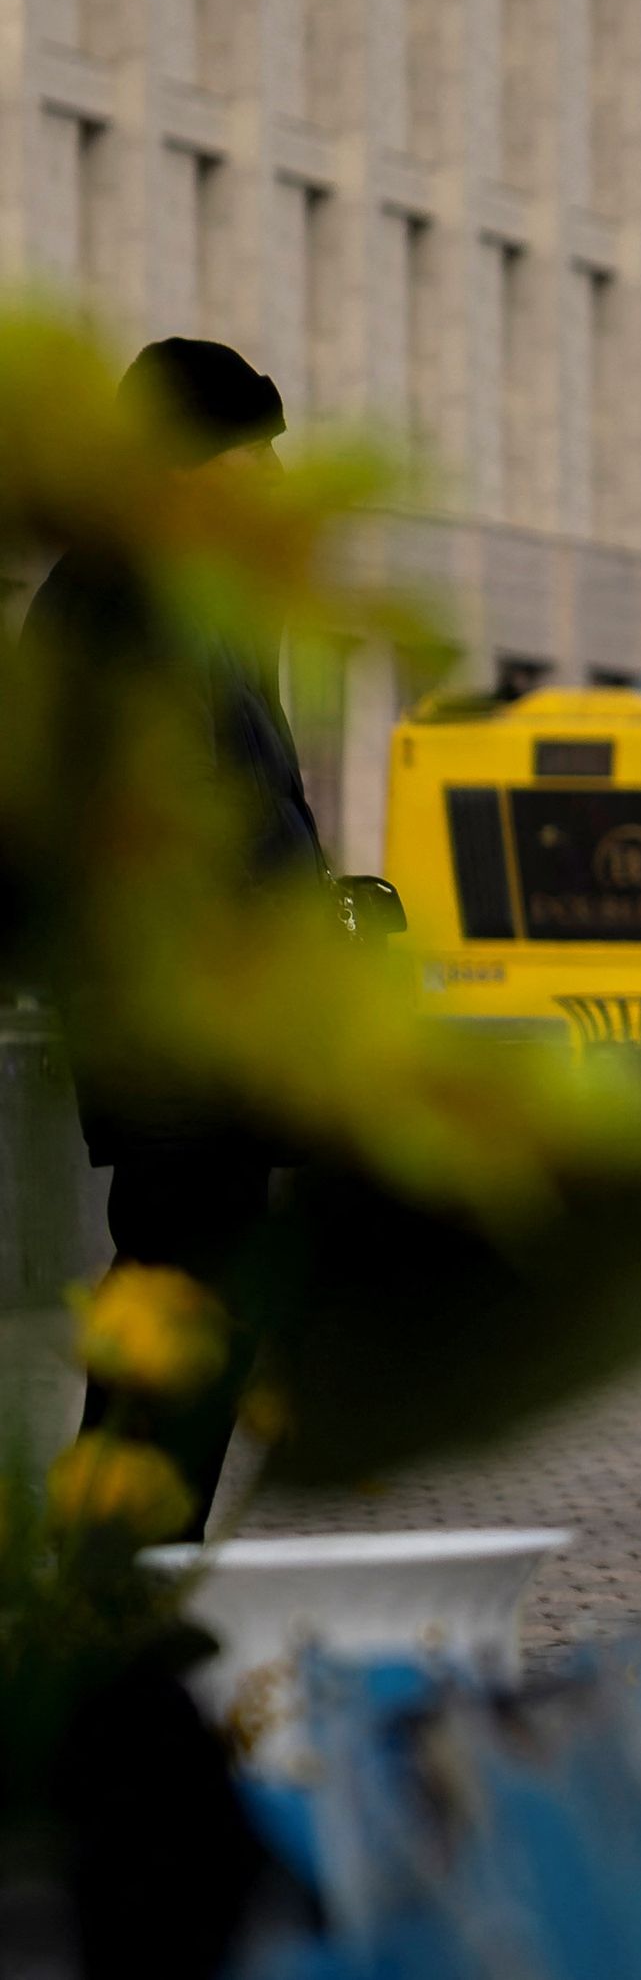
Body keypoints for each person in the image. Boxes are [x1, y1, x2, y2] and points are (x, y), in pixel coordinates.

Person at [27, 341, 318, 1534]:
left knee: (194, 1306)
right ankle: (114, 1579)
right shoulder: (120, 598)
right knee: (176, 1304)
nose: (263, 482)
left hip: (226, 1022)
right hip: (181, 1027)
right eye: (246, 459)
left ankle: (129, 1568)